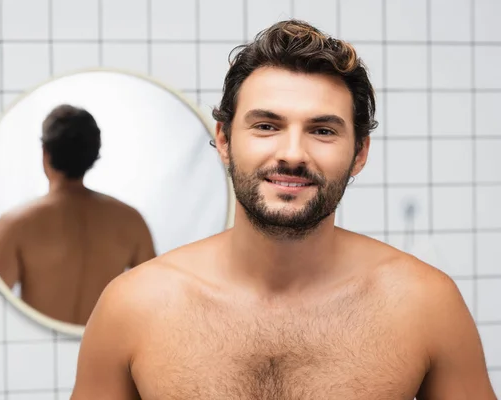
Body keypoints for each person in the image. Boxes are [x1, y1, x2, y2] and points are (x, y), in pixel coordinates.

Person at [70, 20, 496, 399]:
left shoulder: (424, 305)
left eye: (323, 130)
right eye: (267, 126)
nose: (292, 153)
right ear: (223, 139)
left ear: (360, 152)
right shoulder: (133, 307)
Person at [0, 104, 156, 326]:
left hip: (35, 347)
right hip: (104, 350)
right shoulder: (131, 221)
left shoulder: (16, 224)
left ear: (45, 153)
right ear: (94, 153)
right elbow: (154, 300)